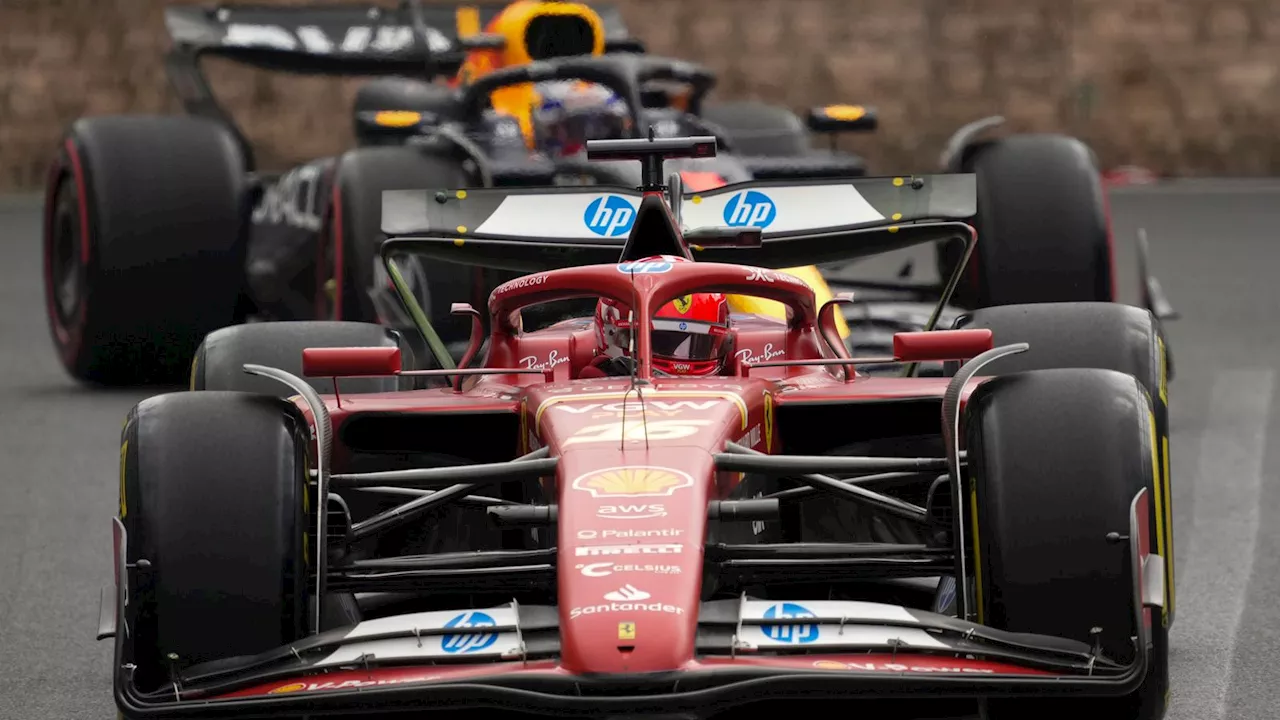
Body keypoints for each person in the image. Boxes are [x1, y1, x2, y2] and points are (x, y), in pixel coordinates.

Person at [582, 279, 732, 378]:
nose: (680, 358)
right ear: (610, 333)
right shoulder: (592, 381)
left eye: (701, 344)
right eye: (661, 342)